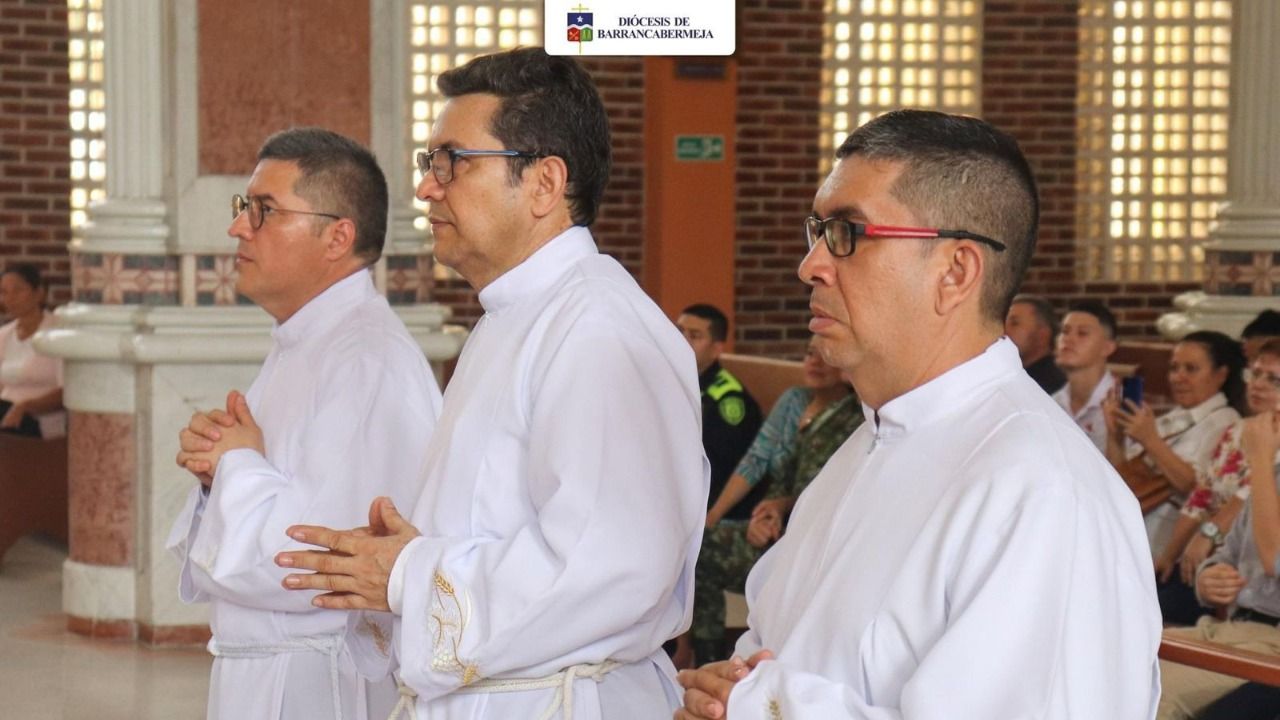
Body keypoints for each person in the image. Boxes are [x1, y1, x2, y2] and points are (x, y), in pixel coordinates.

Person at [676, 109, 1160, 720]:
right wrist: (726, 691)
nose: (811, 266)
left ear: (955, 271)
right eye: (818, 231)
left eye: (848, 234)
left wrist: (765, 705)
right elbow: (775, 648)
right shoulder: (863, 449)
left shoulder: (1042, 491)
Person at [272, 48, 707, 720]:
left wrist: (411, 574)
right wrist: (410, 551)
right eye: (428, 163)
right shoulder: (514, 317)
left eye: (452, 161)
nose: (426, 187)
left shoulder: (598, 330)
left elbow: (608, 567)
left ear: (544, 182)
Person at [166, 128, 444, 720]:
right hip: (275, 669)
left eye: (263, 211)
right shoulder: (310, 341)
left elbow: (311, 562)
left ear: (337, 236)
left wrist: (237, 463)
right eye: (244, 208)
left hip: (314, 681)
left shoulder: (369, 362)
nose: (238, 227)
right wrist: (220, 468)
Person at [691, 336, 863, 665]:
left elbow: (826, 488)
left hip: (806, 535)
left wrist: (780, 512)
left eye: (825, 355)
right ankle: (707, 660)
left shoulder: (854, 417)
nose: (815, 362)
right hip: (768, 521)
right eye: (809, 353)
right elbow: (756, 460)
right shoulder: (794, 400)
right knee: (701, 544)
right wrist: (712, 516)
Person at [1156, 407, 1280, 720]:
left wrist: (1261, 462)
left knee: (1155, 694)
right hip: (1233, 627)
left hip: (1273, 645)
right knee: (1116, 661)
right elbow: (1227, 555)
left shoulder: (1266, 472)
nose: (1274, 409)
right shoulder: (1273, 475)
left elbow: (1275, 560)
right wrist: (1208, 579)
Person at [1155, 338, 1280, 625]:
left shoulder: (1266, 447)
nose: (1259, 385)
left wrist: (1207, 535)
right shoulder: (1240, 430)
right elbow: (1203, 492)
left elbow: (1245, 501)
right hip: (1227, 572)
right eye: (1256, 374)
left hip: (1256, 600)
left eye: (1273, 379)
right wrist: (1170, 554)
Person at [1105, 330, 1244, 557]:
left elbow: (1199, 489)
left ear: (1221, 375)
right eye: (1174, 368)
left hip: (1170, 547)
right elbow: (1123, 480)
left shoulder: (1226, 421)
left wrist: (1151, 441)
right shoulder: (1168, 419)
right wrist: (1115, 436)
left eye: (1191, 369)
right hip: (1131, 538)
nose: (1178, 377)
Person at [677, 303, 764, 521]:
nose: (682, 341)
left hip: (713, 512)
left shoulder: (728, 400)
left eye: (695, 336)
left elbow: (712, 470)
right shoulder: (674, 381)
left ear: (716, 349)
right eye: (679, 332)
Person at [0, 264, 64, 439]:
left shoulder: (58, 332)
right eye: (4, 292)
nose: (10, 298)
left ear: (39, 293)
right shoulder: (4, 335)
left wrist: (24, 407)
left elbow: (68, 390)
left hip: (40, 425)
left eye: (18, 290)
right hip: (5, 416)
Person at [1052, 299, 1119, 452]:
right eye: (1065, 331)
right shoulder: (1050, 402)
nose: (1068, 339)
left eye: (1082, 333)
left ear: (1108, 347)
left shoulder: (1121, 405)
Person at [1005, 293, 1066, 394]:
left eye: (1015, 323)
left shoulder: (1053, 386)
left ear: (1043, 334)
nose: (1004, 331)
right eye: (1003, 323)